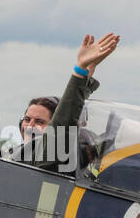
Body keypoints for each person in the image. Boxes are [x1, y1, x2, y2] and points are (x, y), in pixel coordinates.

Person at [13, 33, 119, 171]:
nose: (30, 126)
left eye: (40, 122)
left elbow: (64, 121)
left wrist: (80, 71)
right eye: (27, 119)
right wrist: (87, 72)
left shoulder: (50, 158)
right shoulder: (17, 154)